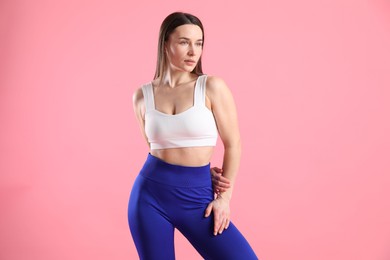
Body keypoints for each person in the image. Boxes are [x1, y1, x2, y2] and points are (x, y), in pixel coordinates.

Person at [128, 11, 258, 260]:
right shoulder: (141, 96)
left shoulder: (212, 87)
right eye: (184, 42)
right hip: (149, 198)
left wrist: (224, 198)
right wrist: (185, 167)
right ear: (165, 43)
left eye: (199, 43)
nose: (193, 51)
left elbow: (234, 144)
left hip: (197, 198)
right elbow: (156, 149)